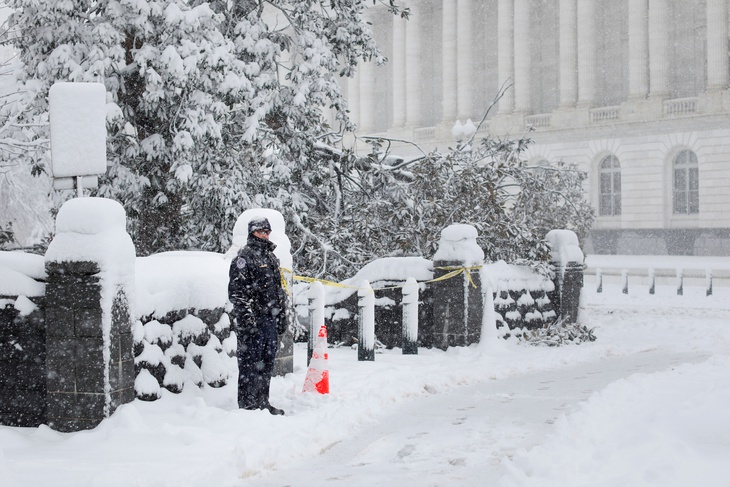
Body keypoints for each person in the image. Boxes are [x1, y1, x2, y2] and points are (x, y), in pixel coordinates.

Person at [228, 217, 288, 415]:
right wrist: (248, 320)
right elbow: (238, 293)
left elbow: (278, 290)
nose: (265, 235)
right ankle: (248, 407)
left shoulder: (270, 258)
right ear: (252, 232)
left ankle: (263, 403)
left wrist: (281, 316)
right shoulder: (244, 257)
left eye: (267, 231)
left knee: (266, 363)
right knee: (250, 365)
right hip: (253, 322)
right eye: (261, 231)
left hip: (269, 320)